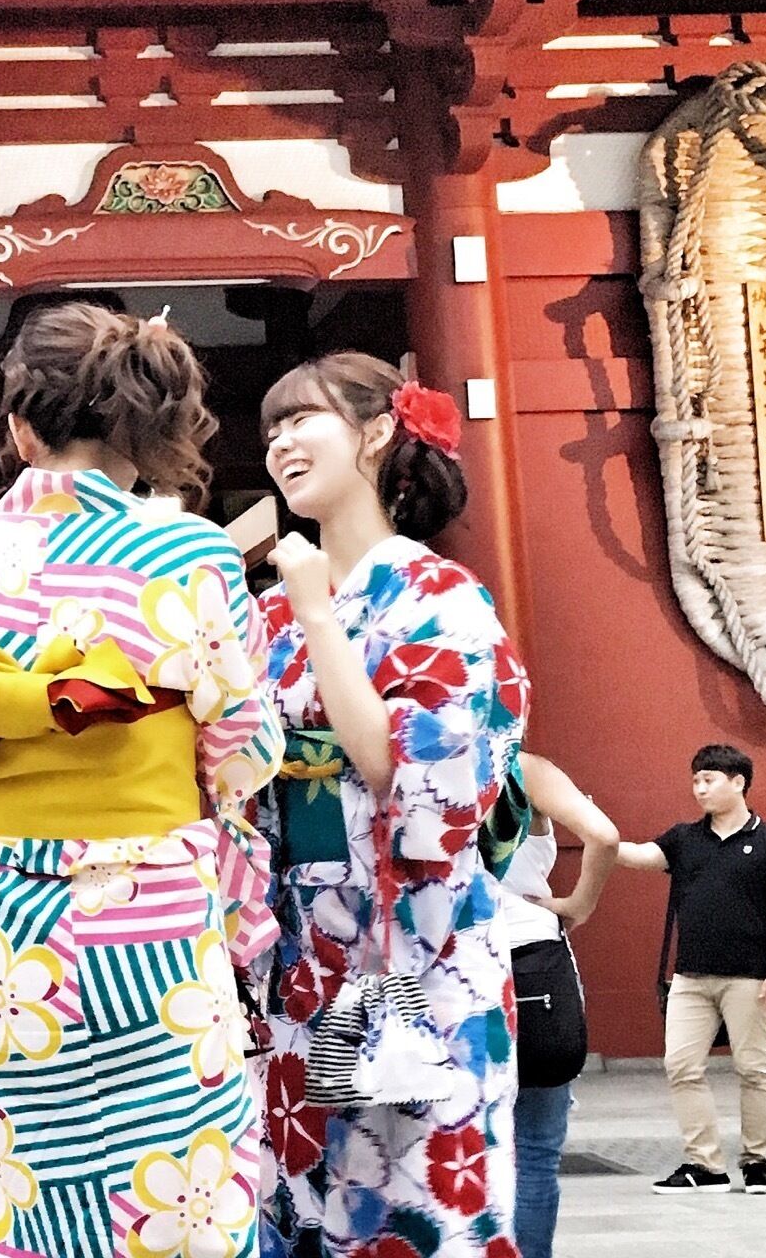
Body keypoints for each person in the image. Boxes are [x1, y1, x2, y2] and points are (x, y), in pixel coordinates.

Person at [0, 302, 284, 1258]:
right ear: (142, 427)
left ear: (23, 429)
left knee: (15, 1200)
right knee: (180, 1201)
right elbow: (243, 751)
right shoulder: (190, 552)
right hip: (152, 919)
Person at [252, 353, 531, 1258]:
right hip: (300, 957)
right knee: (306, 1199)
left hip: (416, 952)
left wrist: (318, 613)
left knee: (419, 1208)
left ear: (377, 432)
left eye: (303, 418)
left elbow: (415, 787)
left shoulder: (443, 598)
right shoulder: (265, 619)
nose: (282, 442)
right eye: (271, 430)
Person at [614, 744, 766, 1196]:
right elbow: (640, 856)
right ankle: (706, 1166)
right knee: (680, 1065)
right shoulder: (684, 839)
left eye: (709, 779)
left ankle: (758, 1163)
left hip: (751, 977)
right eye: (695, 780)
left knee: (754, 1068)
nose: (699, 788)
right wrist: (592, 828)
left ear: (738, 783)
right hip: (690, 977)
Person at [498, 754, 618, 1258]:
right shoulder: (526, 769)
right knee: (536, 1153)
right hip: (532, 960)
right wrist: (579, 905)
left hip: (442, 963)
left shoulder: (409, 757)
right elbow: (605, 836)